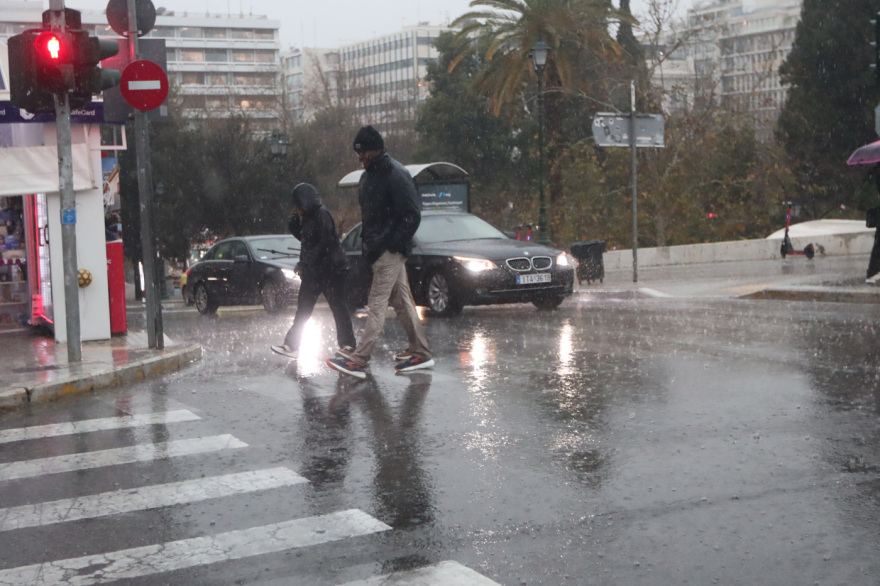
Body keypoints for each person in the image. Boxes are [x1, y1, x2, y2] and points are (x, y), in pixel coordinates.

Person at [326, 125, 434, 379]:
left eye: (363, 152)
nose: (360, 157)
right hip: (379, 249)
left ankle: (360, 360)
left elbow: (412, 215)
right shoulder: (370, 175)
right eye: (357, 153)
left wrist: (391, 245)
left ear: (376, 149)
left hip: (388, 251)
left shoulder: (396, 174)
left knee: (375, 305)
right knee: (403, 302)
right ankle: (421, 353)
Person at [271, 183, 356, 360]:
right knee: (303, 309)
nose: (297, 209)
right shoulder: (309, 216)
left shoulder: (321, 215)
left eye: (298, 206)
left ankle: (348, 345)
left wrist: (304, 263)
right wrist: (294, 221)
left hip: (331, 270)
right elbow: (304, 237)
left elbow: (322, 244)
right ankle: (292, 345)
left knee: (338, 307)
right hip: (315, 271)